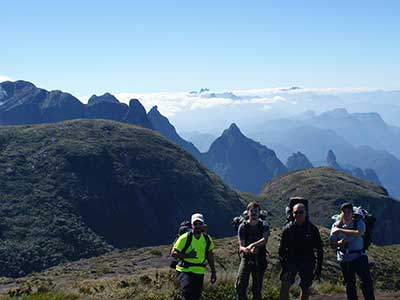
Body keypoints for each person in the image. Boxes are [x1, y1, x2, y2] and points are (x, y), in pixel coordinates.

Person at [330, 202, 375, 300]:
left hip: (359, 257)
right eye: (344, 212)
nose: (346, 214)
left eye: (349, 212)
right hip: (345, 259)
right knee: (350, 285)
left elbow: (360, 232)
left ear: (352, 213)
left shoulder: (358, 222)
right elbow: (333, 244)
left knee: (366, 283)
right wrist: (340, 243)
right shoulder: (336, 225)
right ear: (341, 213)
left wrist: (340, 232)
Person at [279, 201, 323, 300]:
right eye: (296, 212)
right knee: (285, 286)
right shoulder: (288, 229)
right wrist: (283, 264)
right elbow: (281, 249)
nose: (298, 214)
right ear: (292, 214)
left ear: (306, 213)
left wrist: (318, 268)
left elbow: (319, 249)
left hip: (307, 261)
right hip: (290, 261)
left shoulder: (312, 229)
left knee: (305, 288)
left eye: (301, 212)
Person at [170, 213, 217, 300]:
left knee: (195, 296)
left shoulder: (207, 239)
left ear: (203, 225)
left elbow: (210, 255)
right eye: (195, 224)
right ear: (192, 225)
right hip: (184, 270)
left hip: (199, 271)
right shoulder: (184, 238)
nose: (198, 226)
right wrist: (188, 255)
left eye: (200, 224)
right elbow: (173, 253)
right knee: (187, 293)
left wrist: (213, 272)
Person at [235, 202, 270, 300]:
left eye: (256, 211)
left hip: (260, 259)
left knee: (257, 288)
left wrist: (252, 245)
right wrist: (247, 250)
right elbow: (241, 247)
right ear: (248, 213)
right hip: (246, 258)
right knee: (240, 285)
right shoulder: (242, 226)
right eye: (252, 211)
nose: (254, 213)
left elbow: (264, 240)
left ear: (259, 213)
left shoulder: (263, 225)